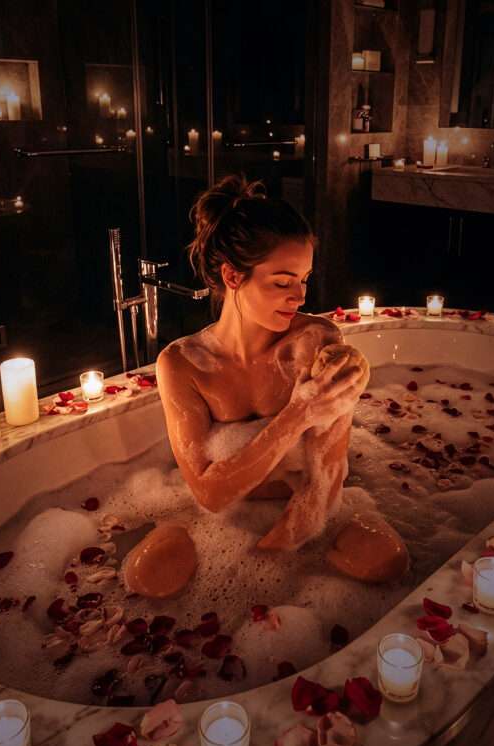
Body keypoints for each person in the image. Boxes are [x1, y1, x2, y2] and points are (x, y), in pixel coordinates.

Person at [156, 175, 390, 560]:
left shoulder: (316, 342)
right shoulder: (183, 365)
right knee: (150, 576)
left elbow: (325, 476)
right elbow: (210, 495)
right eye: (283, 283)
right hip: (226, 519)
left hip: (304, 509)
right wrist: (300, 413)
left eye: (304, 279)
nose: (300, 296)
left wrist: (270, 562)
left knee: (386, 562)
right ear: (233, 276)